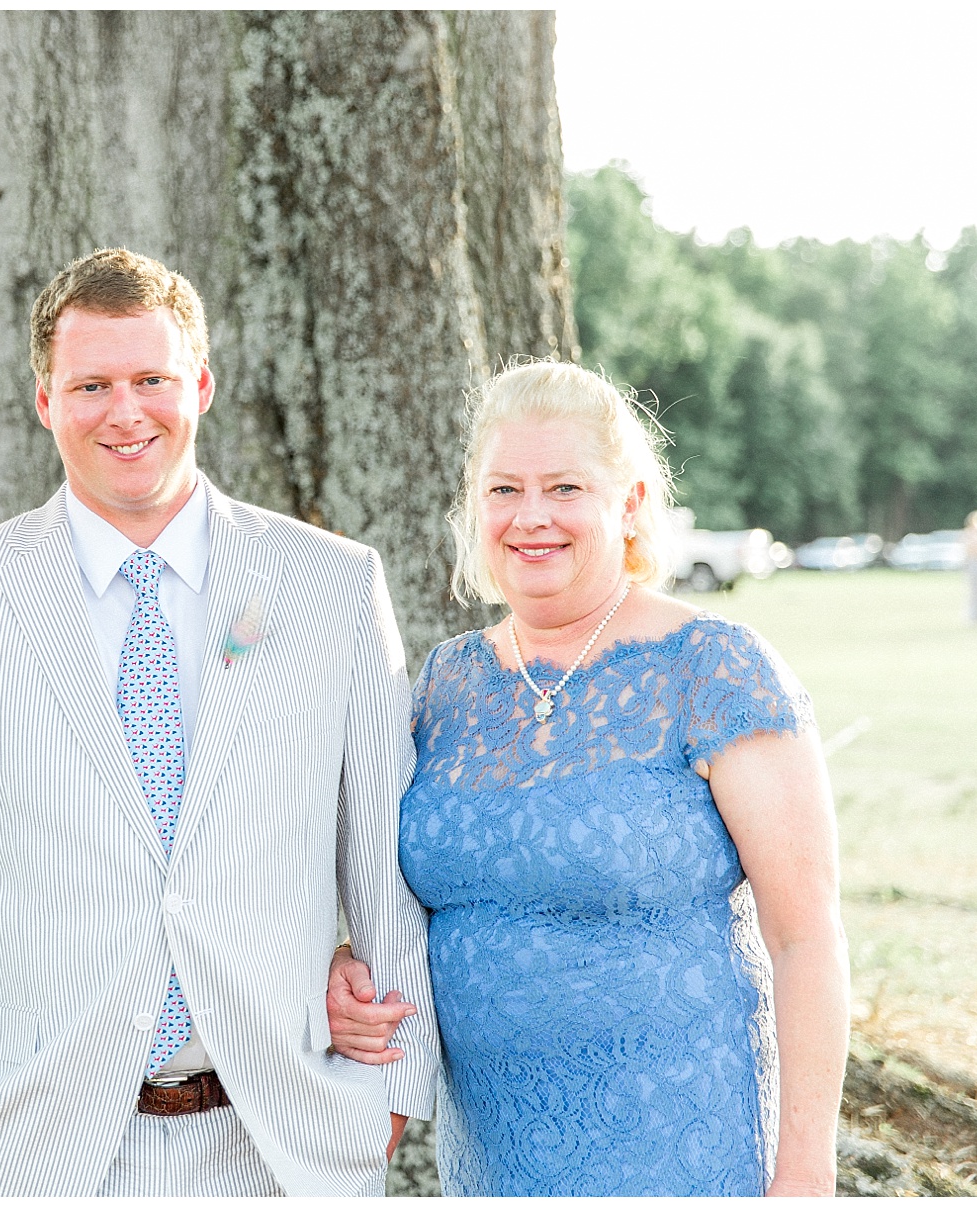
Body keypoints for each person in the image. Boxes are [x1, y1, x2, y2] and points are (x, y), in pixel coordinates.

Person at [0, 248, 438, 1196]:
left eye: (152, 380)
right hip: (24, 1151)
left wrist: (377, 1105)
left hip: (281, 1147)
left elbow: (386, 869)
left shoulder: (334, 585)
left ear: (201, 385)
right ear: (44, 399)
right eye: (91, 383)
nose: (125, 412)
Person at [327, 360, 849, 1195]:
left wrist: (805, 1178)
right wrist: (348, 960)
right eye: (504, 490)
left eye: (565, 487)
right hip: (493, 1162)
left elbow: (806, 938)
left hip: (684, 1153)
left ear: (631, 502)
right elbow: (408, 896)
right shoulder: (445, 684)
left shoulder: (711, 668)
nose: (531, 517)